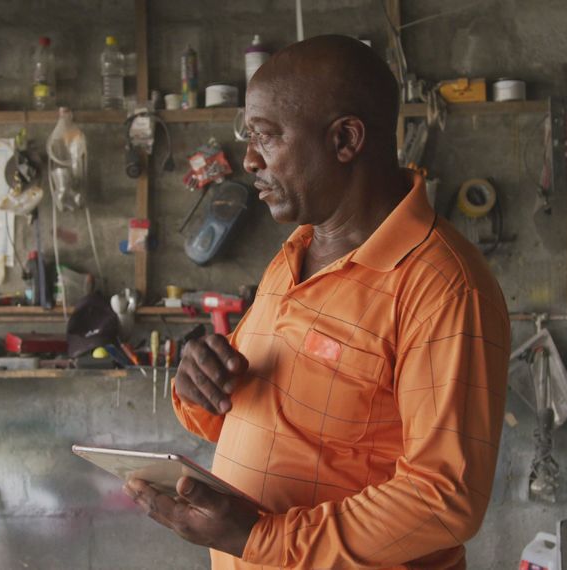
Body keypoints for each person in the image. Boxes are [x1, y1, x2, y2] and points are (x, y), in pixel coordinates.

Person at [123, 34, 510, 570]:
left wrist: (259, 540)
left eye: (267, 136)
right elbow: (253, 414)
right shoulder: (297, 252)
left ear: (345, 139)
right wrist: (198, 387)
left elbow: (444, 501)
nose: (250, 158)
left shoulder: (440, 285)